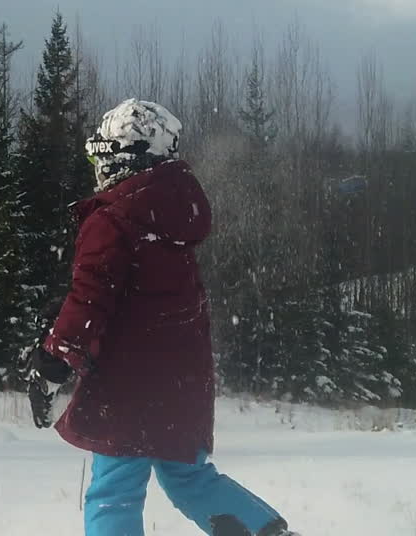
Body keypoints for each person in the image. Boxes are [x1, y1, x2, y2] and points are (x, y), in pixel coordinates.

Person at [28, 98, 298, 536]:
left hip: (130, 384)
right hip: (182, 381)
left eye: (102, 155)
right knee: (189, 479)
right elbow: (142, 296)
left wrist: (55, 359)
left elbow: (90, 297)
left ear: (121, 158)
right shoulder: (174, 215)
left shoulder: (113, 219)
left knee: (113, 490)